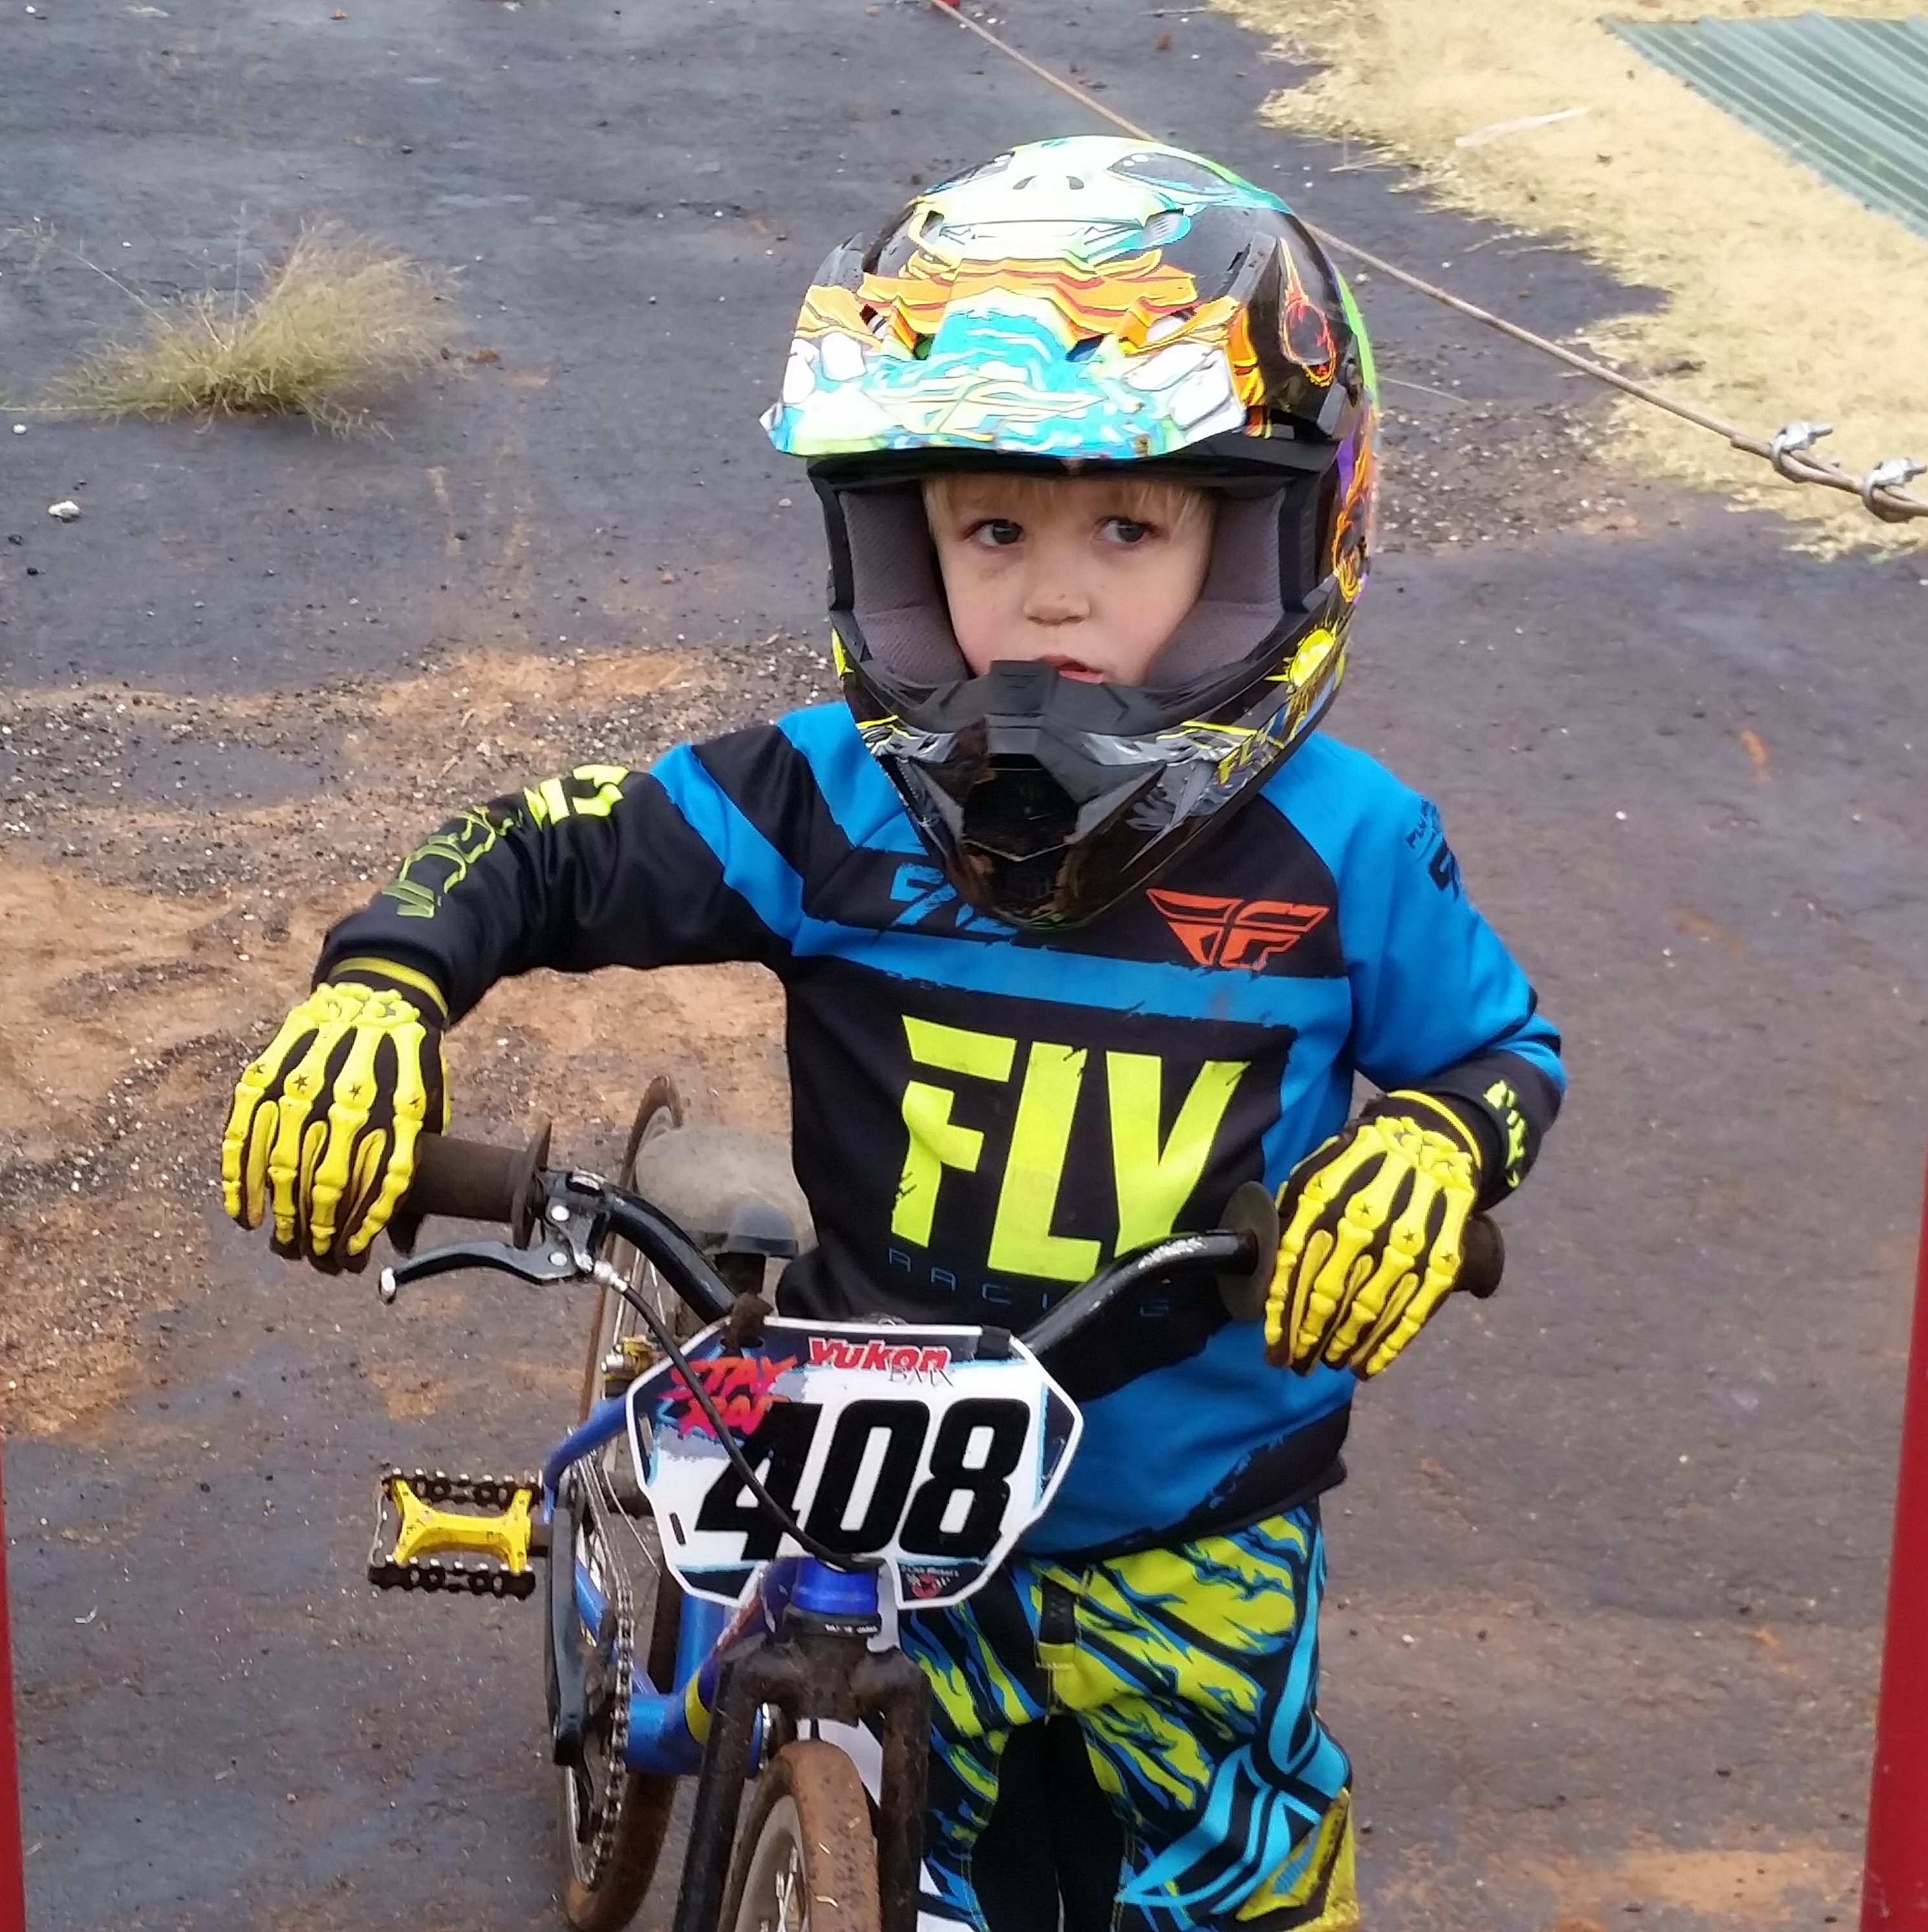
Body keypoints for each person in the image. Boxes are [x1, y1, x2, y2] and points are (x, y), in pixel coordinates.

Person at [222, 135, 1561, 1932]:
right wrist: (384, 981)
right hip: (886, 1502)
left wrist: (1437, 1142)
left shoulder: (1350, 846)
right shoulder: (830, 796)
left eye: (1130, 528)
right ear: (903, 543)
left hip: (1200, 1517)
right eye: (992, 529)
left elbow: (1502, 1052)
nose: (1052, 597)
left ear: (1268, 540)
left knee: (1236, 1889)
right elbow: (545, 849)